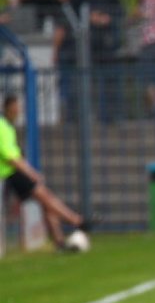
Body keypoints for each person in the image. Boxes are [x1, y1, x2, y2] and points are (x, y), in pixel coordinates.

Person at [0, 96, 90, 251]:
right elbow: (11, 158)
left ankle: (60, 241)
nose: (19, 110)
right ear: (8, 108)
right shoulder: (2, 127)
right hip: (11, 174)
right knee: (46, 198)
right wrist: (31, 173)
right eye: (16, 106)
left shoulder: (8, 127)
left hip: (13, 173)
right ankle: (77, 221)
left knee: (45, 202)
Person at [71, 0, 122, 123]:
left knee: (109, 80)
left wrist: (108, 18)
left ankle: (109, 116)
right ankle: (83, 116)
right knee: (85, 79)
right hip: (86, 43)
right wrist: (88, 19)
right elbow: (71, 12)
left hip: (106, 42)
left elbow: (119, 10)